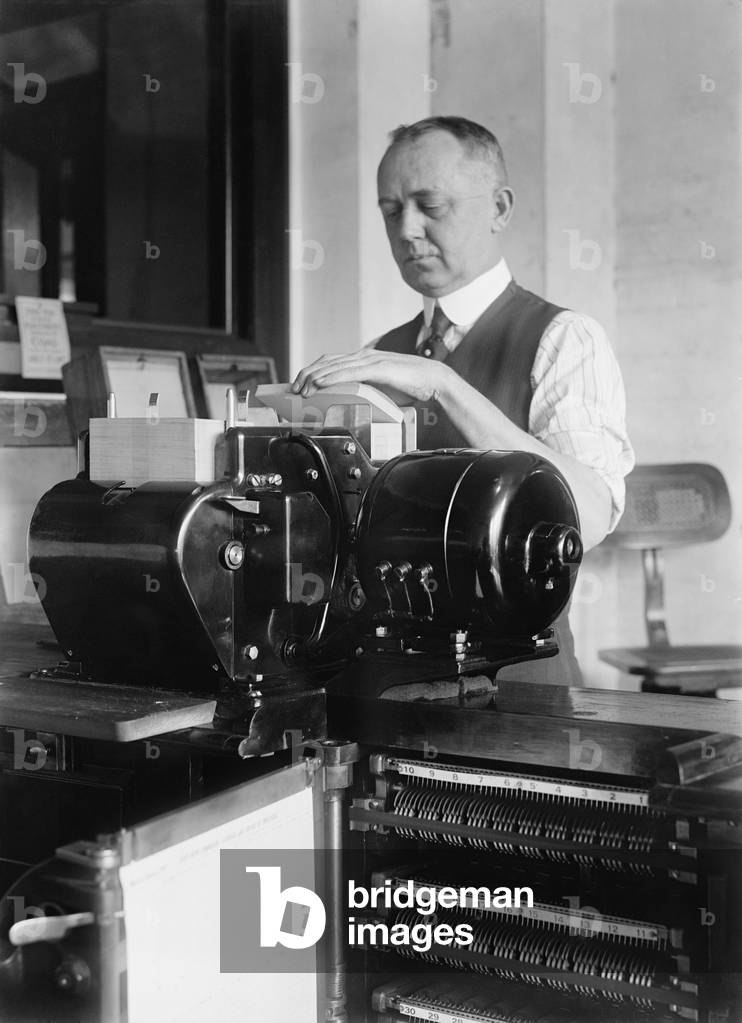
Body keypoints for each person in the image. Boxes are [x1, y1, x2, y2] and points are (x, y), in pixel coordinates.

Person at [292, 116, 634, 684]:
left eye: (431, 205)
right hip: (389, 685)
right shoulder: (377, 354)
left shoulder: (564, 340)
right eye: (391, 210)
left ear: (499, 208)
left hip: (521, 688)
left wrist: (443, 384)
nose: (407, 229)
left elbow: (591, 517)